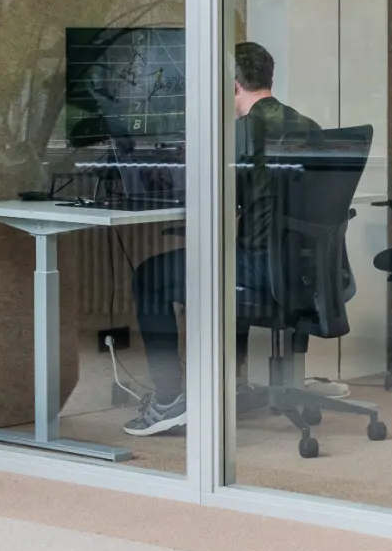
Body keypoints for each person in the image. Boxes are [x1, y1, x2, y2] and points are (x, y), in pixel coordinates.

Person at [124, 41, 320, 435]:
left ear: (231, 85)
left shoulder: (240, 134)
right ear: (269, 78)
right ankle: (231, 383)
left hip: (261, 269)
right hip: (303, 271)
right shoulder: (309, 127)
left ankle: (167, 400)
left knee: (149, 276)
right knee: (227, 256)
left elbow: (212, 196)